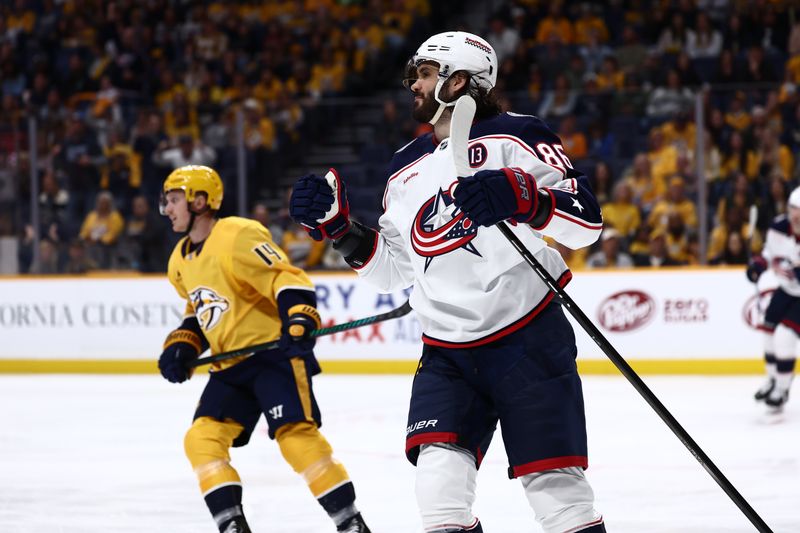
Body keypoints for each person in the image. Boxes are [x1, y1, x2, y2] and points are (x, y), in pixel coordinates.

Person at [290, 31, 606, 533]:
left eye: (424, 73)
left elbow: (587, 222)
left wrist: (527, 197)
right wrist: (340, 231)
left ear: (458, 80)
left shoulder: (518, 135)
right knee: (438, 492)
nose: (413, 83)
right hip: (448, 352)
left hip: (527, 336)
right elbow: (395, 270)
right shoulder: (403, 167)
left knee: (556, 492)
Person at [158, 165, 371, 533]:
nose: (168, 208)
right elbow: (201, 310)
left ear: (200, 201)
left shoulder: (238, 234)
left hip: (275, 357)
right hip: (231, 369)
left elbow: (285, 278)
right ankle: (231, 524)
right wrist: (182, 345)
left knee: (295, 438)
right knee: (201, 437)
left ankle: (349, 522)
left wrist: (299, 319)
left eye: (174, 199)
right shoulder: (179, 259)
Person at [746, 186, 800, 411]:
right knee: (767, 331)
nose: (796, 215)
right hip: (786, 290)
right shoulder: (778, 227)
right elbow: (770, 253)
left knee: (785, 338)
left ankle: (782, 389)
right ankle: (772, 379)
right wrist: (758, 265)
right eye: (793, 209)